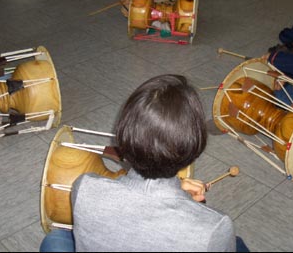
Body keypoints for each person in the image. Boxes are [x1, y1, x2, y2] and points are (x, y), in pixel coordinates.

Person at [40, 74, 249, 252]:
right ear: (193, 149)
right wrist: (190, 207)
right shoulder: (215, 227)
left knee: (54, 240)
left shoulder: (84, 186)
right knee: (236, 244)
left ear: (123, 136)